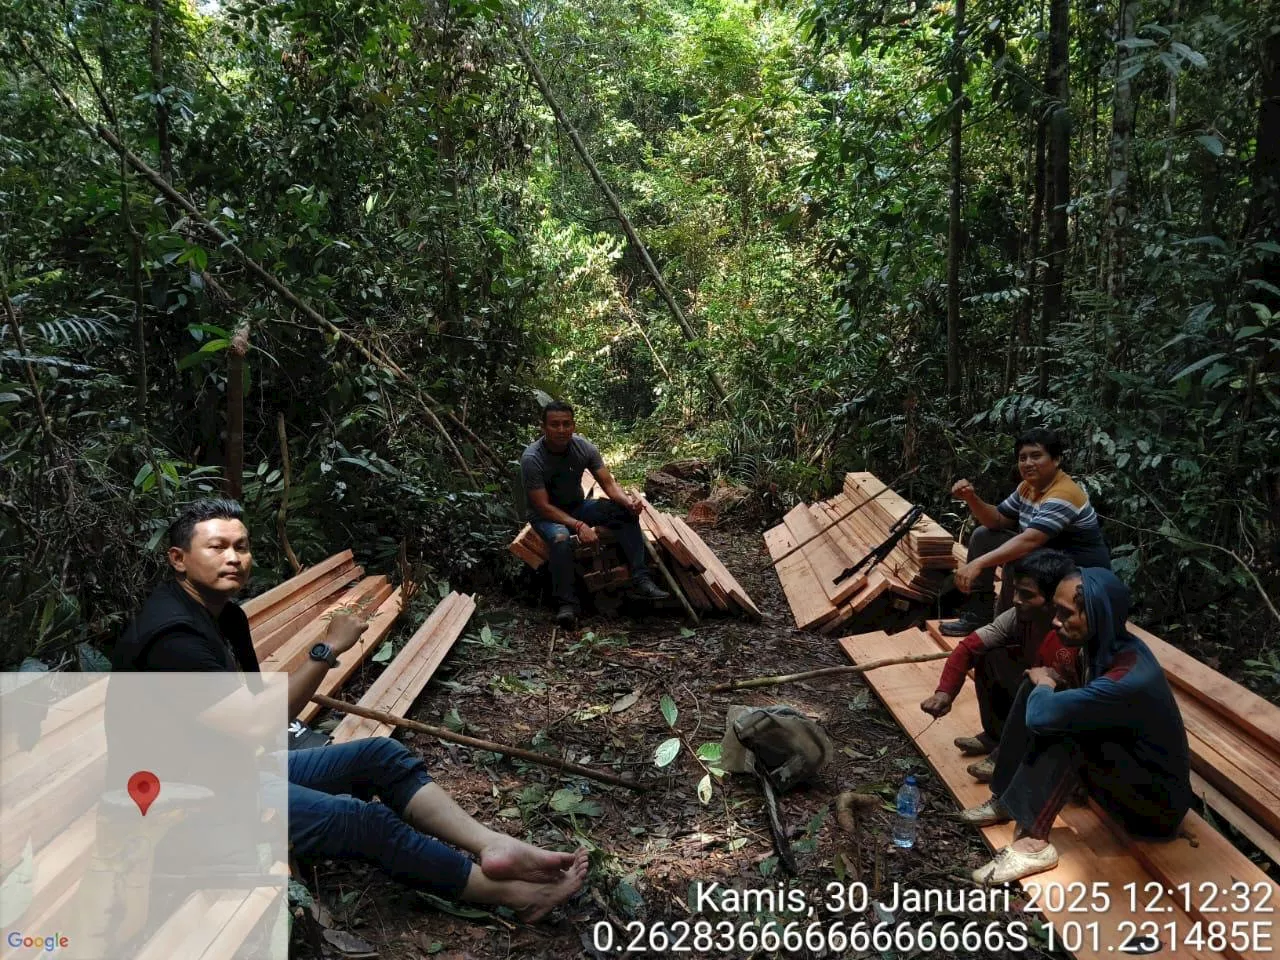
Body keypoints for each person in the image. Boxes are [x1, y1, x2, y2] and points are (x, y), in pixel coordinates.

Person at [112, 499, 588, 921]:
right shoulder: (173, 638)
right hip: (183, 800)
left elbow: (255, 707)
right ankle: (511, 895)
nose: (234, 558)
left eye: (242, 545)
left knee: (380, 756)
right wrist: (327, 649)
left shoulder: (225, 616)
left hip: (229, 768)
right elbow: (259, 723)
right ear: (178, 558)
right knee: (363, 821)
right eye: (217, 547)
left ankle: (492, 846)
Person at [957, 567, 1192, 885]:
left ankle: (1034, 845)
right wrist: (1044, 682)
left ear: (1096, 616)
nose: (1055, 621)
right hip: (1123, 778)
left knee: (1065, 722)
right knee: (1036, 686)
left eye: (1066, 613)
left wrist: (1045, 684)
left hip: (1152, 810)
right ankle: (1006, 798)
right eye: (1056, 610)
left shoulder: (1129, 676)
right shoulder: (1106, 648)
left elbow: (1042, 717)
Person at [920, 549, 1078, 782]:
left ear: (1053, 600)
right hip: (1037, 690)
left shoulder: (1075, 631)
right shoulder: (1017, 616)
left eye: (1026, 594)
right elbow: (968, 647)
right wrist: (945, 691)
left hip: (1064, 707)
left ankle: (1010, 755)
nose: (1016, 600)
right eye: (1016, 591)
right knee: (990, 656)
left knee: (1033, 683)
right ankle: (996, 736)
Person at [942, 428, 1111, 636]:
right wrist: (971, 498)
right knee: (983, 536)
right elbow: (996, 520)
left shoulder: (1064, 493)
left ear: (1056, 460)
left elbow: (1030, 541)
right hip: (1047, 560)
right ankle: (978, 616)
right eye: (1023, 458)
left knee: (1018, 559)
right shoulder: (1027, 487)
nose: (1028, 463)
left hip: (1081, 574)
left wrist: (978, 563)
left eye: (1036, 456)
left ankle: (1004, 631)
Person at [521, 400, 669, 628]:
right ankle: (567, 605)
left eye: (566, 424)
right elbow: (542, 506)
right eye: (554, 425)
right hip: (547, 515)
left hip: (577, 506)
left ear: (573, 425)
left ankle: (640, 579)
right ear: (543, 427)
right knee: (561, 539)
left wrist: (628, 503)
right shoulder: (532, 458)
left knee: (622, 512)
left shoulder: (584, 448)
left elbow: (609, 484)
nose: (561, 430)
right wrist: (579, 526)